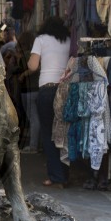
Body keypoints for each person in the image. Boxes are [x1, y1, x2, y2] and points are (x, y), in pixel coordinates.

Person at [28, 16, 71, 188]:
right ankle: (65, 175)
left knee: (48, 133)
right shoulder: (68, 40)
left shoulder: (40, 40)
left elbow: (32, 66)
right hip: (65, 90)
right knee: (64, 132)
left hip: (47, 89)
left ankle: (55, 176)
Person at [16, 31, 41, 153]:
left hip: (29, 89)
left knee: (33, 116)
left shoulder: (26, 54)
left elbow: (33, 68)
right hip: (35, 88)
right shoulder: (32, 53)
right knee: (34, 116)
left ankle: (33, 145)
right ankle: (34, 143)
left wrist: (23, 74)